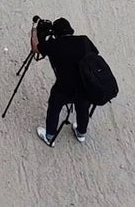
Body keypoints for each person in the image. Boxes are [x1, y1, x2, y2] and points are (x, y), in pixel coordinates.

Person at [33, 18, 100, 147]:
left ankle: (50, 136)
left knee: (54, 106)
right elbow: (95, 54)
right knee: (83, 107)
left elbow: (36, 49)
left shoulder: (54, 45)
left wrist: (34, 29)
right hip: (85, 87)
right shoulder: (84, 40)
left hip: (64, 88)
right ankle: (81, 133)